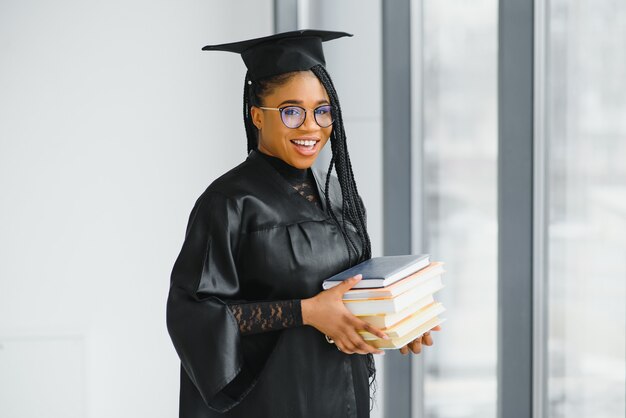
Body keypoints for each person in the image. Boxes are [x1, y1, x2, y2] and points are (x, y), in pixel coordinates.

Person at [166, 29, 439, 418]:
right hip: (270, 402)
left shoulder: (339, 196)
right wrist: (305, 312)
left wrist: (397, 319)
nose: (311, 127)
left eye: (322, 110)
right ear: (257, 115)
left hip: (340, 397)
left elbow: (349, 294)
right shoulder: (230, 202)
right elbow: (192, 314)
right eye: (292, 111)